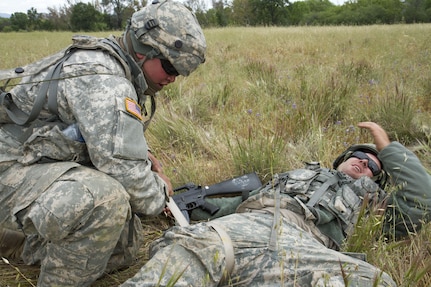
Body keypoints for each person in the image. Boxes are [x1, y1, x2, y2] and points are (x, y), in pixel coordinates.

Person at [0, 0, 206, 286]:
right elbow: (128, 177)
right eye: (169, 66)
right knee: (105, 201)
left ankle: (16, 242)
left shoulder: (118, 66)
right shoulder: (105, 80)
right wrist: (161, 194)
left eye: (179, 72)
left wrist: (146, 158)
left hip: (36, 161)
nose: (172, 78)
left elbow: (104, 136)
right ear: (142, 50)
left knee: (124, 243)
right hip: (10, 165)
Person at [120, 121, 431, 287]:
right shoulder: (298, 175)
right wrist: (175, 205)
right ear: (344, 158)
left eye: (375, 168)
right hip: (247, 224)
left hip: (307, 248)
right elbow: (231, 209)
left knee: (374, 281)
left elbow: (423, 202)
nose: (365, 165)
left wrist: (387, 146)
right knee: (192, 251)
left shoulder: (373, 205)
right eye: (360, 157)